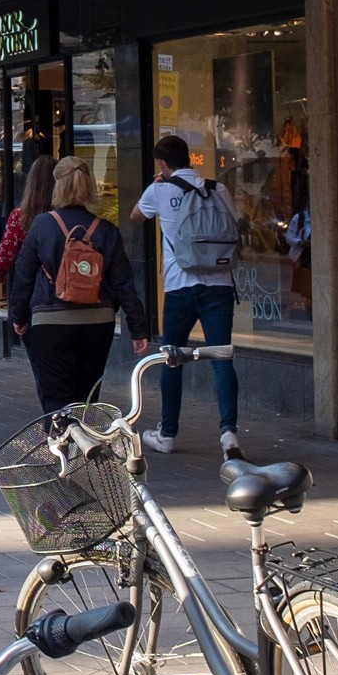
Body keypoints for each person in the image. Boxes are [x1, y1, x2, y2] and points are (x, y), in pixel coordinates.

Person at [7, 157, 150, 413]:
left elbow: (24, 277)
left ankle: (64, 449)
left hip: (52, 321)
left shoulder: (41, 225)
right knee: (87, 398)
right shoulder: (106, 230)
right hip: (98, 323)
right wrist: (138, 329)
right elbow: (124, 284)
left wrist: (19, 317)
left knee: (55, 399)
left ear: (57, 186)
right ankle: (84, 448)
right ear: (88, 186)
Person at [134, 133, 241, 457]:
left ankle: (167, 435)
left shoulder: (158, 189)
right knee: (222, 359)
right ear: (189, 159)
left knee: (173, 360)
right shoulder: (217, 188)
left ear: (163, 164)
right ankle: (229, 436)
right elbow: (232, 225)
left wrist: (159, 185)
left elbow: (136, 217)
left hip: (180, 286)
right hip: (219, 284)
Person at [0, 154, 56, 290]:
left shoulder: (20, 216)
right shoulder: (62, 215)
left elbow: (5, 256)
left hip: (28, 284)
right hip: (59, 283)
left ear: (31, 182)